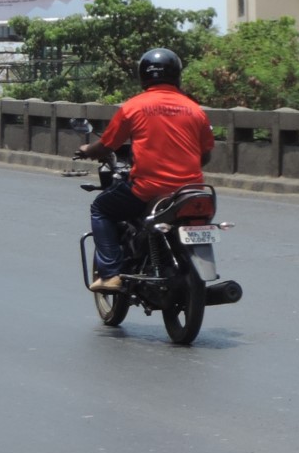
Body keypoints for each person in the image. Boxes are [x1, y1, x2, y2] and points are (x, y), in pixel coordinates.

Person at [79, 48, 215, 293]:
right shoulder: (196, 110)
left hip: (148, 190)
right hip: (191, 192)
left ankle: (110, 273)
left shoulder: (134, 107)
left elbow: (107, 146)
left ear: (143, 76)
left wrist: (88, 150)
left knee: (101, 208)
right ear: (177, 75)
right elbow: (204, 154)